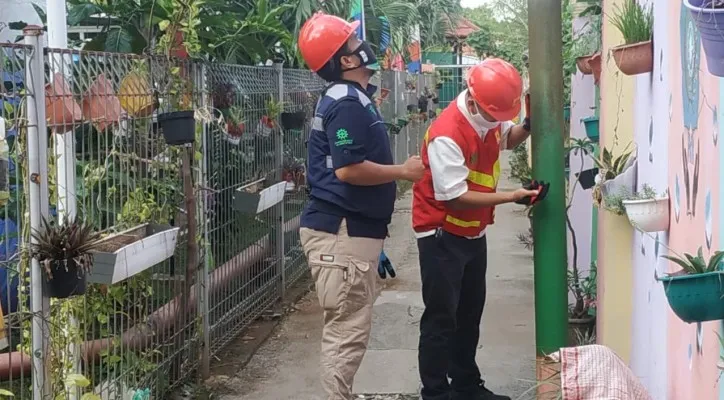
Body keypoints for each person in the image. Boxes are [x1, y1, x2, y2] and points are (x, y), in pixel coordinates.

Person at [297, 12, 425, 400]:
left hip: (349, 232)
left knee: (349, 329)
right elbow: (349, 170)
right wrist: (403, 171)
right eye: (354, 42)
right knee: (346, 333)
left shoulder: (350, 99)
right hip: (342, 233)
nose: (364, 44)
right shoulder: (348, 105)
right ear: (348, 61)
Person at [412, 58, 549, 400]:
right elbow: (454, 198)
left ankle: (466, 385)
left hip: (472, 233)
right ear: (473, 101)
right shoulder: (447, 134)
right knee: (442, 319)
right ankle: (435, 393)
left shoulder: (488, 115)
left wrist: (528, 125)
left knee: (469, 314)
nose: (498, 122)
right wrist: (511, 197)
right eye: (494, 115)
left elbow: (508, 138)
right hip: (441, 234)